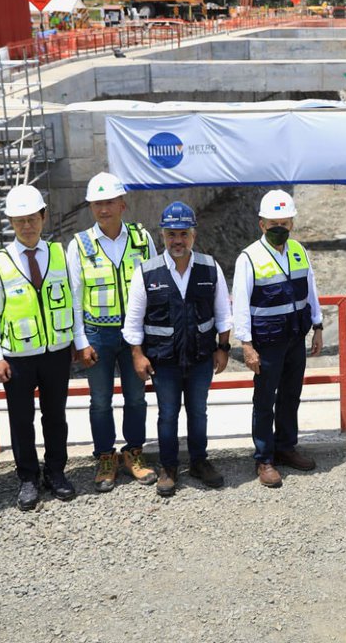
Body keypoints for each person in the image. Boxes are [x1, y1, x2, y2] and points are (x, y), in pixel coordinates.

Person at [124, 201, 232, 497]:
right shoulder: (147, 273)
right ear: (163, 236)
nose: (178, 241)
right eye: (172, 234)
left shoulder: (210, 268)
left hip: (199, 358)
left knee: (198, 412)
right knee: (168, 414)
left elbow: (223, 313)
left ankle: (199, 462)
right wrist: (137, 354)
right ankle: (168, 467)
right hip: (164, 361)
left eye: (183, 234)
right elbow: (133, 321)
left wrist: (223, 347)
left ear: (193, 235)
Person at [0, 185, 76, 510]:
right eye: (19, 220)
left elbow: (75, 302)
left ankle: (56, 473)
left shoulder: (61, 254)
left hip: (56, 353)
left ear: (43, 216)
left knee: (56, 416)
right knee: (21, 420)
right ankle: (28, 478)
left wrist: (80, 341)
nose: (27, 226)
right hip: (17, 358)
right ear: (10, 222)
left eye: (32, 218)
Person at [66, 172, 157, 493]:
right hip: (98, 335)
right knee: (100, 400)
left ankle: (134, 453)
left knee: (136, 397)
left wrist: (149, 340)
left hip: (135, 335)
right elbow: (74, 297)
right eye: (97, 204)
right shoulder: (79, 245)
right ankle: (105, 457)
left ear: (122, 204)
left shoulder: (142, 239)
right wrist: (81, 341)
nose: (103, 209)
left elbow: (154, 288)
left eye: (108, 202)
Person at [232, 190, 324, 488]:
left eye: (285, 223)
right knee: (264, 400)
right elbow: (241, 304)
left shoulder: (298, 250)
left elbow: (310, 289)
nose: (280, 229)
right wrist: (246, 345)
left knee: (290, 396)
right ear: (262, 224)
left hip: (296, 336)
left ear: (292, 223)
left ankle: (286, 447)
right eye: (274, 224)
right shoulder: (249, 257)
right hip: (267, 342)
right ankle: (264, 458)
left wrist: (318, 325)